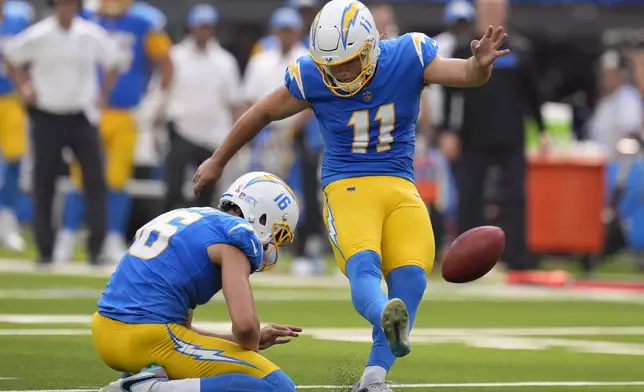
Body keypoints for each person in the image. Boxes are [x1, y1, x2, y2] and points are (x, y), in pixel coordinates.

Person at [193, 0, 509, 390]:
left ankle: (373, 379)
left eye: (349, 61)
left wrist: (480, 64)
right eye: (333, 65)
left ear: (372, 48)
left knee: (412, 277)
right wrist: (218, 159)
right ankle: (384, 316)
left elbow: (466, 74)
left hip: (400, 186)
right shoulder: (313, 76)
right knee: (365, 268)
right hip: (347, 186)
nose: (341, 72)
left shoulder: (406, 56)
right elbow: (261, 112)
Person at [95, 171, 300, 392]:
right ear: (262, 217)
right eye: (276, 234)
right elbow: (245, 326)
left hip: (105, 333)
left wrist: (241, 340)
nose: (272, 245)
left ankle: (145, 378)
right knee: (277, 387)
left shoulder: (192, 217)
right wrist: (250, 344)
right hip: (149, 339)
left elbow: (183, 329)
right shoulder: (237, 237)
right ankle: (149, 389)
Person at [54, 0, 173, 264]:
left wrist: (155, 100)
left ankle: (112, 236)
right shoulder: (85, 15)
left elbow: (166, 62)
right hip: (86, 109)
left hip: (125, 112)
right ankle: (68, 235)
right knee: (80, 177)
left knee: (118, 179)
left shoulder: (144, 20)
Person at [5, 0, 120, 266]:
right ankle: (45, 250)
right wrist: (24, 87)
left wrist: (103, 94)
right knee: (43, 182)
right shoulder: (39, 34)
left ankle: (95, 249)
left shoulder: (91, 33)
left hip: (82, 115)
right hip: (47, 115)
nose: (66, 8)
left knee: (95, 181)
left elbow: (114, 61)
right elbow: (11, 58)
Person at [161, 3, 243, 212]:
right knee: (172, 187)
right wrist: (156, 126)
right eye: (200, 26)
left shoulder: (225, 62)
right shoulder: (175, 56)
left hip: (212, 135)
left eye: (207, 27)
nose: (203, 31)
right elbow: (163, 91)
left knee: (205, 193)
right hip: (181, 129)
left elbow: (234, 103)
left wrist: (237, 141)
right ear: (192, 27)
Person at [0, 0, 32, 252]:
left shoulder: (20, 16)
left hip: (9, 98)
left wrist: (25, 85)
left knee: (14, 160)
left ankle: (6, 217)